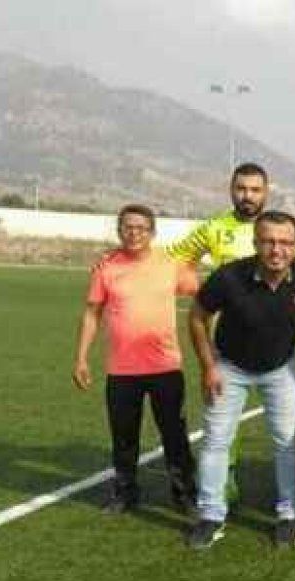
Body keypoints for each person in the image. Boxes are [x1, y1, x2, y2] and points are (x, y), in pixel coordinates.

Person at [184, 211, 295, 550]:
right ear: (255, 242)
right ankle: (211, 514)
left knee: (286, 442)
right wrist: (207, 366)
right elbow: (197, 316)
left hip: (281, 368)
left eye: (286, 242)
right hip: (230, 367)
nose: (277, 250)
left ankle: (289, 513)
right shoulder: (229, 276)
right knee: (216, 440)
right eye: (269, 241)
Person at [166, 162, 288, 504]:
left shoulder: (279, 231)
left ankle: (289, 496)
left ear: (266, 193)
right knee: (221, 421)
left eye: (255, 190)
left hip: (275, 345)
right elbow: (173, 259)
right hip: (226, 345)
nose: (247, 196)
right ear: (231, 190)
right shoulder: (214, 228)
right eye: (241, 189)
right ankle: (225, 482)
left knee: (283, 426)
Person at [73, 204, 198, 513]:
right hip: (122, 370)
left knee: (174, 435)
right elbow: (92, 313)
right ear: (119, 231)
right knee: (124, 437)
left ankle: (185, 493)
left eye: (141, 228)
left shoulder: (170, 265)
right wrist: (81, 358)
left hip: (165, 368)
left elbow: (201, 291)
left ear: (152, 232)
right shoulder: (106, 268)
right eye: (128, 227)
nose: (134, 233)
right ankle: (125, 493)